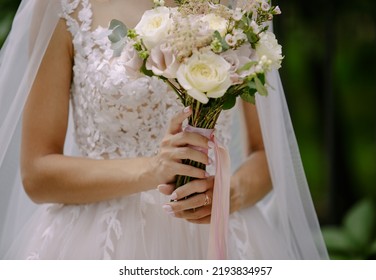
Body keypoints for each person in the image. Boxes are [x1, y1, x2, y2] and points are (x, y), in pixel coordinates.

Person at [0, 0, 328, 259]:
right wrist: (153, 169)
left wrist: (231, 190)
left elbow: (267, 152)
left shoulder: (240, 6)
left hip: (215, 235)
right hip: (101, 242)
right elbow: (37, 172)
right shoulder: (63, 6)